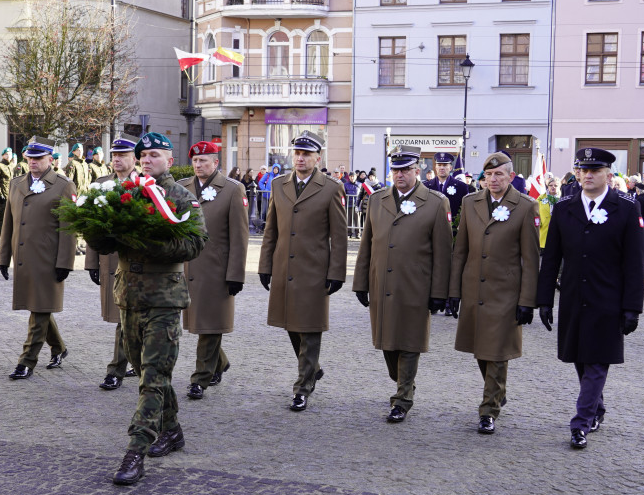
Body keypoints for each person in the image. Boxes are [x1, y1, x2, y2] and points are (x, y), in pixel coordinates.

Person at [111, 132, 207, 486]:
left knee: (153, 376)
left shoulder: (182, 196)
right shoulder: (128, 192)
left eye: (153, 154)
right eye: (142, 155)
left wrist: (153, 244)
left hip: (164, 299)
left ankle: (135, 450)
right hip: (130, 297)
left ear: (169, 158)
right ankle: (173, 430)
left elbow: (196, 242)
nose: (146, 159)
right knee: (146, 371)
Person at [536, 147, 644, 449]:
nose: (586, 175)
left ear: (609, 175)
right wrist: (544, 300)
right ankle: (596, 408)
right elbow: (552, 257)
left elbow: (635, 262)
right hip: (573, 296)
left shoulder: (626, 207)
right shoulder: (564, 207)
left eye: (594, 170)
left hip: (608, 298)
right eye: (583, 170)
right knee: (581, 359)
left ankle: (580, 423)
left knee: (597, 361)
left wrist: (632, 307)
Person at [352, 146, 452, 423]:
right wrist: (361, 282)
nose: (400, 174)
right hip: (382, 283)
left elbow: (443, 254)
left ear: (417, 171)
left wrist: (439, 293)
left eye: (406, 169)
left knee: (409, 343)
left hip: (415, 286)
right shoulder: (377, 200)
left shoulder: (434, 202)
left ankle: (402, 398)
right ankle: (402, 382)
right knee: (387, 344)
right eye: (395, 169)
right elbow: (366, 246)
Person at [446, 151, 540, 435]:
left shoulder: (525, 206)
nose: (493, 179)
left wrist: (528, 300)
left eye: (498, 174)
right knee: (480, 349)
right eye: (488, 175)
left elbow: (530, 258)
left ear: (511, 176)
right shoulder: (470, 202)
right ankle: (497, 391)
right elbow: (460, 250)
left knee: (496, 350)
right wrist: (454, 292)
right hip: (474, 287)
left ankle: (488, 410)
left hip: (505, 291)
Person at [258, 130, 347, 412]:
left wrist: (337, 272)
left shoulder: (331, 188)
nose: (300, 158)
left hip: (314, 269)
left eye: (306, 154)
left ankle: (302, 387)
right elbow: (270, 229)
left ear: (317, 158)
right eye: (297, 153)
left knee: (309, 329)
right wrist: (265, 265)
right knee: (290, 324)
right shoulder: (278, 184)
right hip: (285, 267)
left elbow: (340, 236)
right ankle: (313, 368)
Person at [0, 138, 77, 379]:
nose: (33, 162)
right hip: (24, 258)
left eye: (39, 158)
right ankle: (59, 348)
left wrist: (65, 263)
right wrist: (3, 257)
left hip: (48, 260)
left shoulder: (64, 185)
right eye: (30, 158)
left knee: (39, 310)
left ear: (50, 160)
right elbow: (7, 223)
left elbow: (69, 228)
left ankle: (27, 361)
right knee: (39, 306)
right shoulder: (16, 183)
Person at [178, 140, 249, 399]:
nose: (198, 165)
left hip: (216, 270)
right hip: (186, 268)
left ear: (216, 163)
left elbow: (239, 237)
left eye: (204, 160)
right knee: (199, 321)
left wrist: (236, 275)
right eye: (195, 161)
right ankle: (219, 362)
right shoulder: (182, 187)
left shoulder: (232, 190)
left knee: (209, 325)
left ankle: (200, 379)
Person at [89, 138, 139, 390]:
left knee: (134, 319)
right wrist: (91, 263)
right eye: (114, 155)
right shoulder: (101, 185)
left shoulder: (147, 185)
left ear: (135, 158)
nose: (117, 159)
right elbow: (89, 226)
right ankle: (118, 369)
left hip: (140, 264)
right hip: (111, 262)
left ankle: (215, 361)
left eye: (123, 154)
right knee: (123, 317)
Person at [423, 152, 467, 230]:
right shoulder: (425, 187)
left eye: (445, 165)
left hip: (452, 230)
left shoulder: (461, 187)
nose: (441, 168)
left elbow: (465, 210)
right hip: (431, 229)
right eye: (439, 165)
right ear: (435, 167)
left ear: (450, 168)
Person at [0, 147, 15, 241]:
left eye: (10, 154)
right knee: (3, 217)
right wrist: (0, 194)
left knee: (11, 217)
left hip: (11, 195)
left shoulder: (11, 166)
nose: (8, 155)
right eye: (6, 154)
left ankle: (9, 236)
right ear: (3, 155)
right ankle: (2, 236)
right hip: (3, 195)